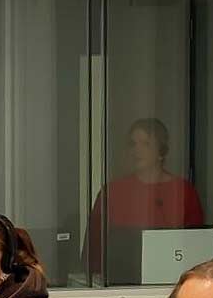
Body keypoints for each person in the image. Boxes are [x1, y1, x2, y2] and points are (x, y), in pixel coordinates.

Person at [86, 117, 204, 273]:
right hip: (120, 279)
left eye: (146, 144)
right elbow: (94, 248)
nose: (137, 150)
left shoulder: (183, 191)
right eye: (133, 144)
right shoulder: (112, 191)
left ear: (161, 151)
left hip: (171, 277)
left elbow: (197, 245)